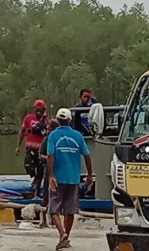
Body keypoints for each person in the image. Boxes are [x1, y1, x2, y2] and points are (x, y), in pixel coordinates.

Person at [47, 108, 93, 250]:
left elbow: (50, 155)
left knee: (53, 210)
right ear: (70, 119)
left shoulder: (53, 135)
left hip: (58, 178)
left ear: (57, 120)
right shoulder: (78, 136)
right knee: (70, 211)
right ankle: (67, 235)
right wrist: (90, 174)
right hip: (73, 178)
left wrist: (51, 175)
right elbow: (87, 155)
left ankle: (62, 234)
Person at [18, 99, 48, 197]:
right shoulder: (28, 118)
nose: (39, 112)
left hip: (41, 149)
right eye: (37, 110)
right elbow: (23, 131)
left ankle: (37, 192)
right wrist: (18, 146)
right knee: (28, 165)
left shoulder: (47, 120)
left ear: (44, 110)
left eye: (41, 110)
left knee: (40, 170)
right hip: (30, 147)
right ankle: (34, 176)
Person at [38, 118, 60, 229]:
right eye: (47, 128)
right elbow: (40, 155)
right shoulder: (46, 140)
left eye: (49, 128)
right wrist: (49, 158)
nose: (47, 130)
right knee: (46, 197)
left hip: (60, 172)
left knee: (59, 197)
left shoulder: (59, 139)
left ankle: (56, 220)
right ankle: (44, 220)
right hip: (49, 172)